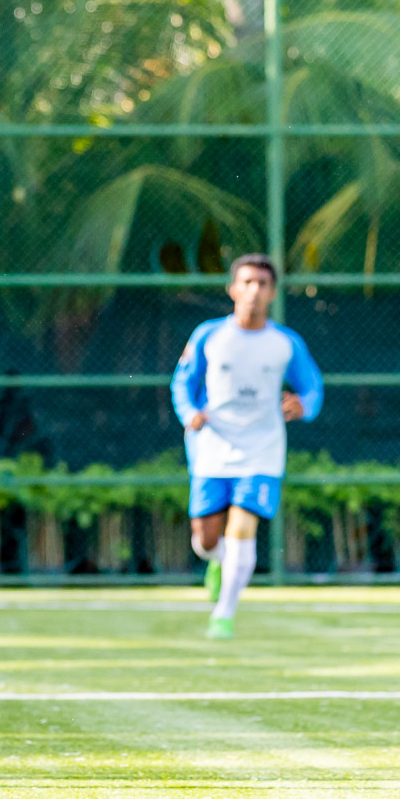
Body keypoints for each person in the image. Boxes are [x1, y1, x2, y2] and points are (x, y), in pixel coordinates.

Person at [172, 254, 324, 639]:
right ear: (232, 289)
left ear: (272, 292)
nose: (254, 291)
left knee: (243, 526)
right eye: (247, 282)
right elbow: (181, 384)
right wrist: (189, 412)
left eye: (262, 284)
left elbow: (312, 387)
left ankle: (224, 614)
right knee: (206, 540)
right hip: (211, 448)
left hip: (262, 449)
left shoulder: (285, 343)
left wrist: (303, 405)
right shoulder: (208, 335)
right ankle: (217, 563)